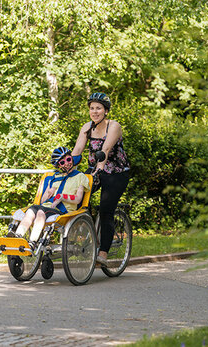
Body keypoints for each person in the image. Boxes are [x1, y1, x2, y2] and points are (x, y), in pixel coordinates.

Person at [71, 92, 130, 266]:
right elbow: (77, 150)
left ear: (106, 110)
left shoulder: (114, 126)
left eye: (99, 108)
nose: (95, 111)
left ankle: (103, 252)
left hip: (116, 172)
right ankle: (88, 234)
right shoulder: (87, 127)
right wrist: (69, 169)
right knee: (77, 198)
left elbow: (105, 148)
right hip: (94, 169)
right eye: (92, 108)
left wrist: (100, 166)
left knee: (106, 209)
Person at [7, 146, 91, 246]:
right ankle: (18, 236)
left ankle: (33, 241)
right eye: (62, 162)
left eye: (68, 159)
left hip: (62, 211)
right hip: (46, 206)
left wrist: (62, 197)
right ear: (58, 166)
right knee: (30, 210)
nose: (67, 163)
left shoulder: (80, 177)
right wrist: (48, 192)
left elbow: (78, 199)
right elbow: (42, 201)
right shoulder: (53, 178)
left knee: (41, 212)